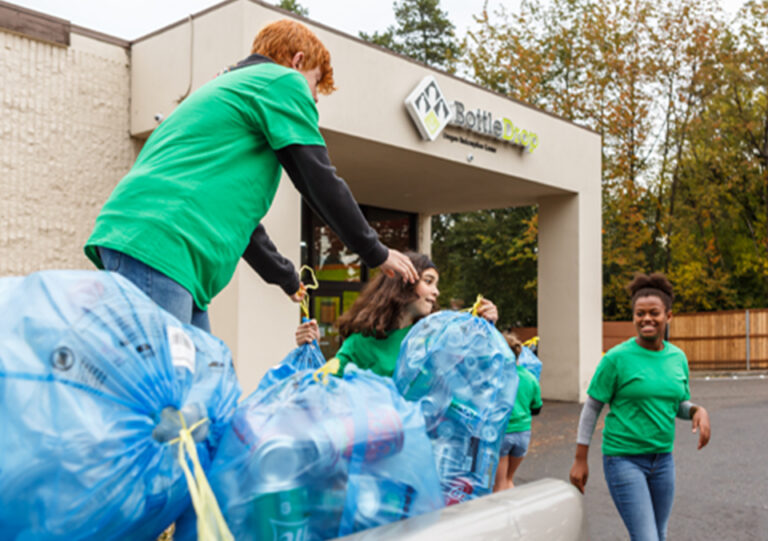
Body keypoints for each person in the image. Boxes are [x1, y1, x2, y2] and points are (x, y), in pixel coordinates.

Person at [84, 19, 417, 332]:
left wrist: (285, 276)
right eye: (314, 85)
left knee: (202, 384)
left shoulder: (232, 89)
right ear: (297, 62)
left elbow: (241, 221)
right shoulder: (281, 81)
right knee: (160, 386)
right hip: (163, 245)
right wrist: (376, 251)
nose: (312, 101)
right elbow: (317, 177)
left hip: (160, 245)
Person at [569, 272, 711, 541]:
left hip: (663, 460)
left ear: (668, 316)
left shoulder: (677, 358)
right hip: (624, 459)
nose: (647, 319)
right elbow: (592, 408)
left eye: (654, 313)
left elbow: (676, 404)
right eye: (640, 313)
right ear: (633, 317)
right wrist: (580, 459)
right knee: (647, 538)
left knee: (659, 534)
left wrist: (696, 411)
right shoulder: (616, 359)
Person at [295, 252, 498, 378]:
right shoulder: (360, 343)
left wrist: (488, 327)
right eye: (428, 281)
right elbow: (326, 386)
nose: (436, 292)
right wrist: (311, 349)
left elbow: (473, 373)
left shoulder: (435, 338)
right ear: (404, 282)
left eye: (436, 284)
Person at [493, 331, 542, 492]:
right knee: (508, 479)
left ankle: (501, 516)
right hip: (523, 435)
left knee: (499, 485)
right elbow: (536, 408)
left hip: (503, 434)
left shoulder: (495, 378)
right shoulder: (530, 377)